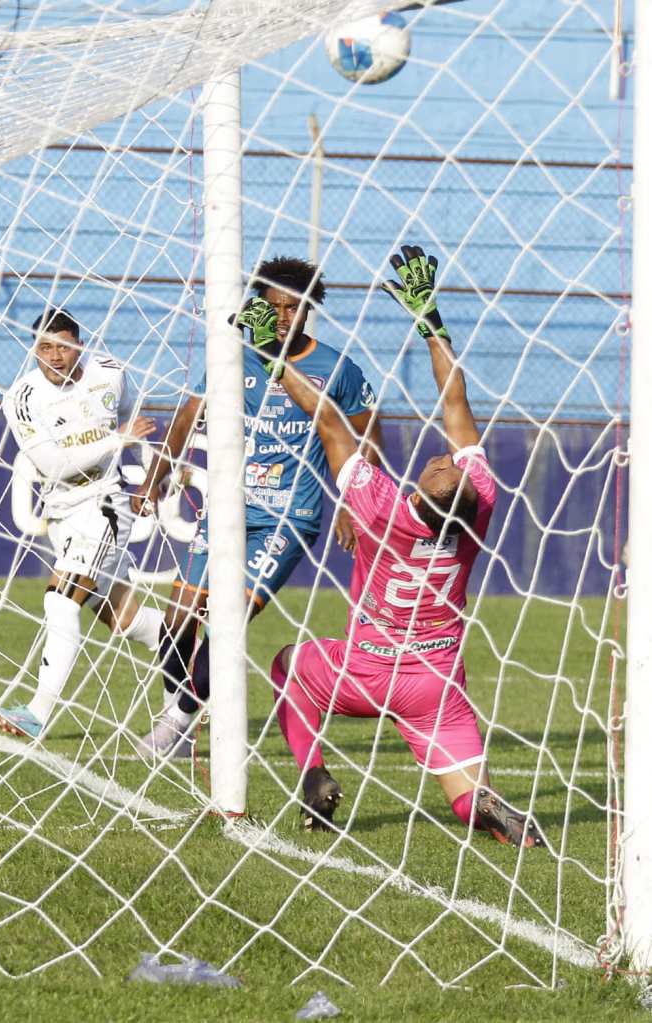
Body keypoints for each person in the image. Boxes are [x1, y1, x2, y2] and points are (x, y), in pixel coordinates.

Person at [260, 246, 544, 847]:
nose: (445, 459)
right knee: (468, 795)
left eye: (442, 469)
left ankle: (312, 774)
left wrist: (272, 356)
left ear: (422, 493)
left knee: (286, 664)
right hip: (436, 683)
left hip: (363, 670)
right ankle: (490, 812)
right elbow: (456, 403)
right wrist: (430, 319)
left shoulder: (379, 506)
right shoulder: (479, 507)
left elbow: (329, 420)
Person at [132, 255, 381, 759]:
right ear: (259, 308)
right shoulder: (233, 358)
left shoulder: (336, 368)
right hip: (229, 509)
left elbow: (368, 435)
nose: (286, 317)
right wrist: (157, 476)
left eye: (295, 308)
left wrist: (354, 503)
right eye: (276, 308)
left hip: (290, 518)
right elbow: (187, 417)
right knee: (179, 618)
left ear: (308, 309)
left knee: (228, 619)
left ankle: (175, 722)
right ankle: (180, 716)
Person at [0, 307, 165, 740]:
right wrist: (116, 439)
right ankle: (199, 649)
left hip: (104, 504)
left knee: (61, 601)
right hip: (62, 509)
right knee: (121, 617)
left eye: (63, 347)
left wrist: (152, 480)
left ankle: (36, 713)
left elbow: (135, 422)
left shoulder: (110, 373)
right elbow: (52, 464)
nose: (54, 356)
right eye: (44, 347)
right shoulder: (22, 398)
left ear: (79, 346)